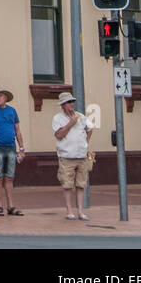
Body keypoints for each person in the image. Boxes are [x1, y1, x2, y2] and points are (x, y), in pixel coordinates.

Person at [52, 91, 93, 221]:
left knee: (81, 184)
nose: (71, 104)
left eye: (72, 102)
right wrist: (71, 123)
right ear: (63, 105)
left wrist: (86, 142)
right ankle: (69, 210)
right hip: (66, 156)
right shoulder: (57, 118)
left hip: (81, 155)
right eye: (69, 102)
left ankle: (80, 211)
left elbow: (90, 128)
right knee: (67, 184)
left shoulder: (81, 116)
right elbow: (59, 135)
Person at [0, 87, 25, 216]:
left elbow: (17, 130)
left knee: (9, 177)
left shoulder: (12, 111)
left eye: (1, 96)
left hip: (11, 147)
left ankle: (11, 206)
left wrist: (21, 148)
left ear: (6, 98)